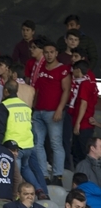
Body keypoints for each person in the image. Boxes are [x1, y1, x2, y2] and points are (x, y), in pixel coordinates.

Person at [0, 79, 49, 199]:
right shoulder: (25, 105)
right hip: (28, 144)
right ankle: (39, 190)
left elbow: (1, 128)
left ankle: (15, 198)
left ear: (5, 91)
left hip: (14, 146)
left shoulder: (4, 106)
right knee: (26, 169)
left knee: (16, 174)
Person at [34, 41, 70, 187]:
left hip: (53, 112)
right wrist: (32, 108)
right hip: (38, 111)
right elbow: (36, 90)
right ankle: (44, 174)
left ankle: (58, 175)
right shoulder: (41, 67)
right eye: (46, 52)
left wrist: (60, 109)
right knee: (38, 144)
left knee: (56, 144)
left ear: (56, 53)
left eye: (51, 52)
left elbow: (66, 91)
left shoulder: (63, 69)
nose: (49, 55)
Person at [70, 60, 98, 165]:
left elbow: (84, 103)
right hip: (86, 122)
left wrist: (78, 123)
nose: (72, 72)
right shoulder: (90, 82)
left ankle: (84, 176)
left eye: (74, 70)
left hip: (83, 124)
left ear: (78, 70)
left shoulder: (85, 84)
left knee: (82, 153)